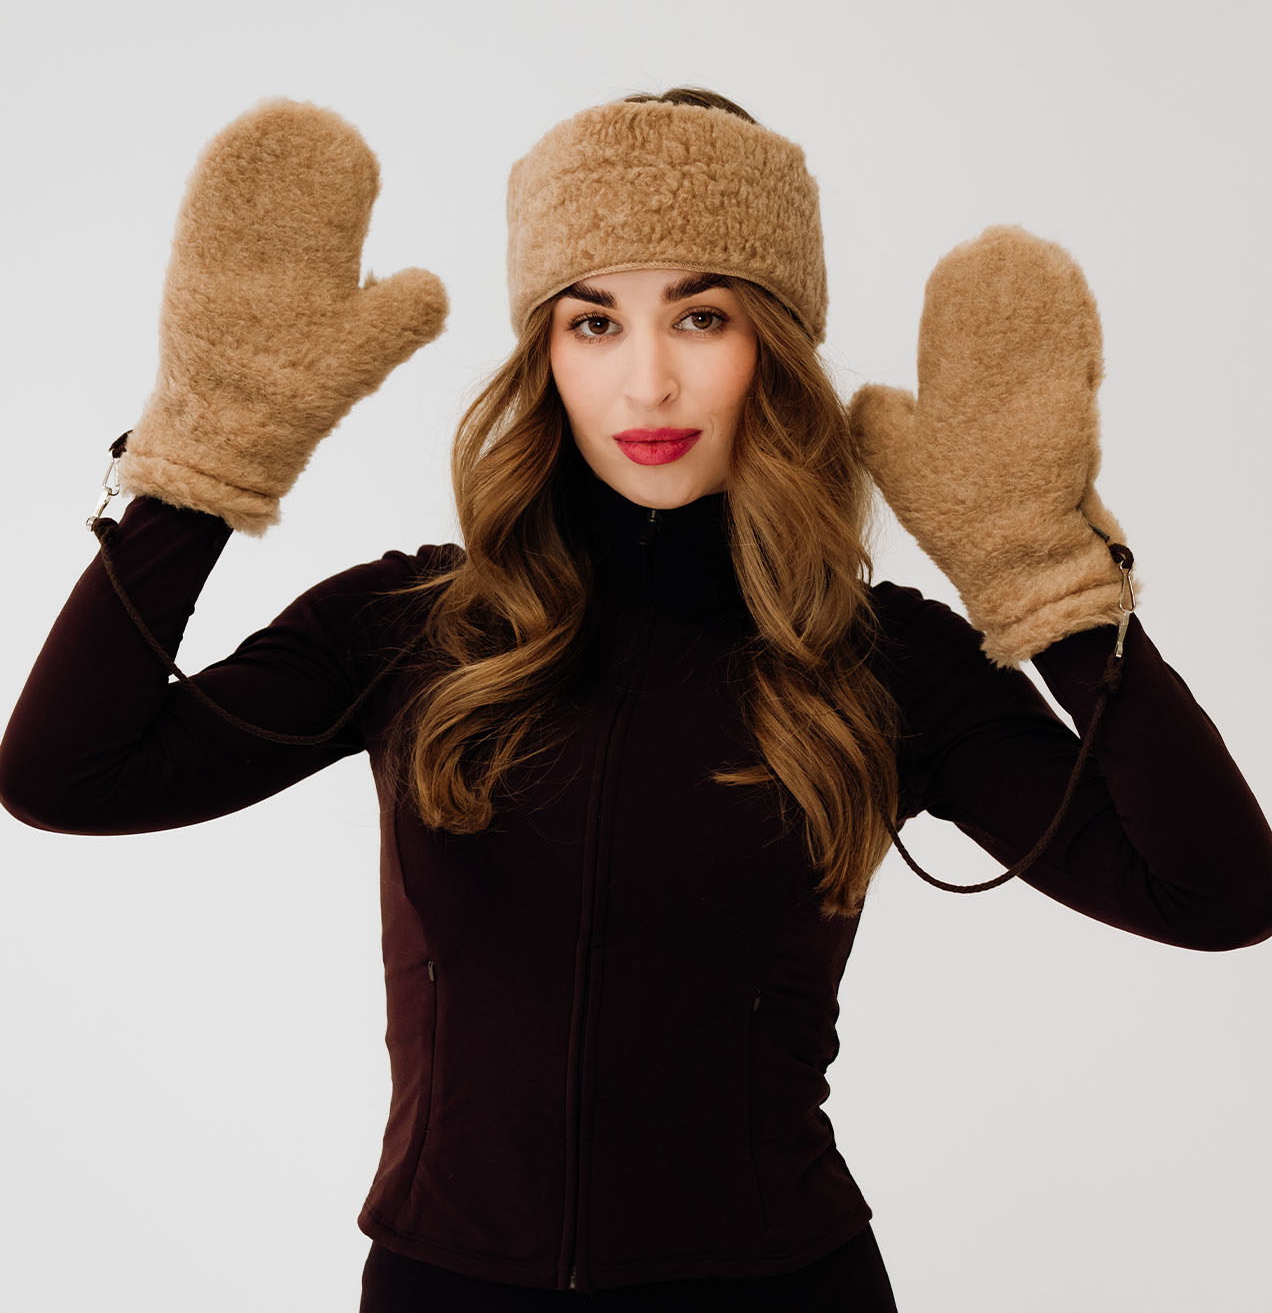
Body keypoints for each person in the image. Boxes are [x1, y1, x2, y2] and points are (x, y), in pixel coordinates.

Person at [3, 87, 1271, 1312]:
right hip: (447, 1292)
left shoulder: (883, 661)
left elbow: (1218, 892)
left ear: (774, 345)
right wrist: (204, 462)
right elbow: (65, 772)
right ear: (545, 353)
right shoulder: (408, 627)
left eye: (702, 317)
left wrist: (1047, 581)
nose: (648, 383)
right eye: (595, 321)